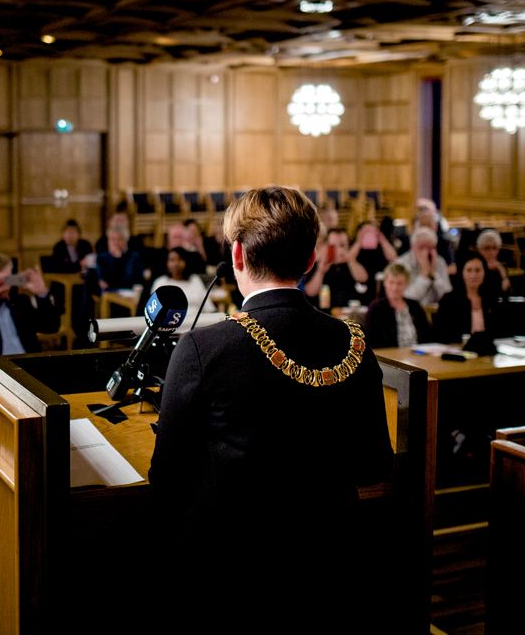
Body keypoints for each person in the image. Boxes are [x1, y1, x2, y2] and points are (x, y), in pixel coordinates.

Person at [150, 186, 393, 629]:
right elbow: (374, 462)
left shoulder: (204, 346)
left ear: (237, 255)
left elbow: (166, 477)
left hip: (231, 572)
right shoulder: (354, 341)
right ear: (310, 260)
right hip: (330, 564)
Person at [0, 251, 59, 362]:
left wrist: (42, 293)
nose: (4, 286)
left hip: (28, 366)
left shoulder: (21, 302)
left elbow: (51, 326)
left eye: (7, 279)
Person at [434, 252, 501, 344]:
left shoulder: (491, 298)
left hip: (487, 351)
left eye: (478, 270)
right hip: (458, 350)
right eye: (469, 270)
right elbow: (441, 335)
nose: (473, 275)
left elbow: (498, 332)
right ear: (462, 273)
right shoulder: (449, 300)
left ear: (484, 272)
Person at [363, 262, 430, 349]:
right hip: (390, 358)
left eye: (400, 283)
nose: (395, 288)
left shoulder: (415, 306)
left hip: (418, 355)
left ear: (407, 284)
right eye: (391, 282)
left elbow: (428, 336)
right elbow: (371, 342)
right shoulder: (376, 308)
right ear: (385, 283)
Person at [303, 226, 370, 308]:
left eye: (342, 245)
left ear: (348, 245)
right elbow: (310, 293)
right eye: (333, 246)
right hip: (325, 312)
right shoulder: (318, 263)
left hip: (349, 310)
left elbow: (363, 279)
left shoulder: (352, 260)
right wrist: (321, 272)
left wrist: (350, 260)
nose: (338, 249)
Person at [396, 227, 452, 305]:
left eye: (430, 248)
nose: (426, 252)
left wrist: (433, 275)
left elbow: (448, 297)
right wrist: (424, 275)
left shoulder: (439, 261)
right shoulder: (401, 263)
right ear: (412, 248)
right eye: (421, 248)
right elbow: (408, 299)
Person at [148, 248, 215, 313]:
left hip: (198, 322)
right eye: (172, 260)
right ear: (166, 263)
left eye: (180, 259)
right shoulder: (160, 282)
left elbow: (208, 305)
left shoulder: (195, 279)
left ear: (186, 261)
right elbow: (152, 310)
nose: (176, 264)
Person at [94, 225, 143, 291]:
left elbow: (134, 280)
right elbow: (103, 282)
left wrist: (119, 257)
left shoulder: (134, 257)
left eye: (119, 239)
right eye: (112, 239)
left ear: (125, 241)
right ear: (108, 241)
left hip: (130, 292)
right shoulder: (101, 258)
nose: (115, 243)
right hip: (110, 293)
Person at [476, 229, 512, 296]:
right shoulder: (475, 268)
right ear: (479, 250)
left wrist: (504, 278)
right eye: (487, 248)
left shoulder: (501, 268)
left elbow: (506, 293)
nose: (491, 252)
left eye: (494, 248)